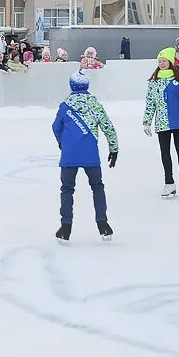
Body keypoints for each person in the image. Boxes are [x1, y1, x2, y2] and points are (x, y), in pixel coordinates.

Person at [52, 70, 118, 241]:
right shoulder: (95, 105)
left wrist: (63, 143)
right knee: (97, 186)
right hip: (90, 156)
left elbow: (56, 127)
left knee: (67, 189)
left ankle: (65, 226)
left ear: (71, 85)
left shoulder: (65, 105)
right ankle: (103, 224)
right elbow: (107, 126)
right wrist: (114, 148)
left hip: (69, 156)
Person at [143, 48, 179, 197]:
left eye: (164, 61)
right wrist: (147, 122)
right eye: (159, 61)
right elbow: (150, 103)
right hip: (162, 123)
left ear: (170, 62)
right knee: (165, 153)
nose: (161, 64)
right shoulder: (154, 81)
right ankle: (169, 183)